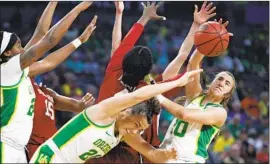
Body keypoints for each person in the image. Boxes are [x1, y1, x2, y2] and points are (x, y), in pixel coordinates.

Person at [88, 1, 217, 163]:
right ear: (148, 70)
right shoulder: (152, 90)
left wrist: (141, 16)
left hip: (100, 149)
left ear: (124, 62)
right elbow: (183, 57)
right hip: (138, 154)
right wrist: (197, 28)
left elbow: (118, 48)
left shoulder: (114, 73)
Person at [30, 69, 203, 163]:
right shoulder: (105, 112)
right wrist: (178, 82)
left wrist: (166, 156)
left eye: (141, 130)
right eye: (137, 125)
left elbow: (151, 153)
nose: (136, 132)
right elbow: (138, 96)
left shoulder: (125, 132)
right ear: (127, 111)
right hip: (50, 158)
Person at [0, 2, 92, 163]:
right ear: (7, 52)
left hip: (20, 148)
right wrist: (77, 9)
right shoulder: (7, 69)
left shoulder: (19, 70)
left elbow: (42, 36)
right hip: (5, 145)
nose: (23, 50)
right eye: (19, 46)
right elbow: (49, 40)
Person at [155, 19, 235, 163]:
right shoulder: (195, 96)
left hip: (189, 160)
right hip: (166, 155)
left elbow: (184, 114)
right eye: (219, 79)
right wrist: (209, 38)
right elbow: (193, 63)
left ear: (227, 94)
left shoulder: (219, 113)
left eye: (227, 83)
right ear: (211, 83)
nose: (221, 83)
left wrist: (158, 96)